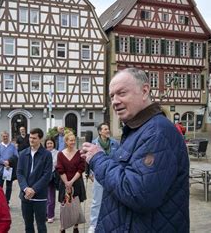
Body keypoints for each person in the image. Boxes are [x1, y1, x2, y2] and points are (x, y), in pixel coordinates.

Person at [81, 68, 190, 232]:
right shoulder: (138, 130)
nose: (115, 101)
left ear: (145, 91)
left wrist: (98, 159)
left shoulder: (157, 133)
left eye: (121, 93)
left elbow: (138, 193)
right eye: (112, 96)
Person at [17, 128, 52, 233]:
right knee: (28, 225)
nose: (31, 140)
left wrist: (33, 189)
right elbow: (19, 173)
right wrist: (26, 188)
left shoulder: (46, 155)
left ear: (40, 139)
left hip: (40, 196)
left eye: (34, 138)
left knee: (41, 225)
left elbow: (47, 175)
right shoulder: (23, 154)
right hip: (25, 196)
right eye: (30, 138)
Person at [88, 123, 119, 233]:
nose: (107, 130)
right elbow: (90, 159)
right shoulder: (94, 144)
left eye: (108, 129)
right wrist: (91, 172)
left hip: (112, 175)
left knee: (112, 199)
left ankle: (112, 222)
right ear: (100, 132)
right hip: (99, 175)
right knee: (97, 201)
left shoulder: (115, 143)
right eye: (105, 129)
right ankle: (93, 224)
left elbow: (119, 157)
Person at [57, 133, 86, 232]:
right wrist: (66, 182)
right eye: (71, 140)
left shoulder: (79, 153)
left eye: (74, 140)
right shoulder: (60, 154)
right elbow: (60, 169)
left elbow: (81, 169)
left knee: (76, 205)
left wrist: (72, 181)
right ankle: (63, 226)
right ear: (66, 141)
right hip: (64, 183)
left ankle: (75, 227)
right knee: (64, 204)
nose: (73, 142)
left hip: (77, 182)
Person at [0, 131, 18, 205]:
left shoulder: (13, 146)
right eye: (3, 136)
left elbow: (16, 155)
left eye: (6, 136)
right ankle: (0, 201)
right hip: (1, 169)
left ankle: (6, 201)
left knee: (9, 186)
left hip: (9, 169)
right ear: (1, 137)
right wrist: (3, 162)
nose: (5, 137)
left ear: (8, 136)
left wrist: (8, 162)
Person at [45, 137, 59, 223]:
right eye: (48, 143)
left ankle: (50, 215)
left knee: (51, 197)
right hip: (42, 178)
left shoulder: (57, 153)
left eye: (51, 143)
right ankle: (44, 214)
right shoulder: (42, 153)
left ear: (54, 144)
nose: (49, 145)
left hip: (51, 177)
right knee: (43, 197)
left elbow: (54, 164)